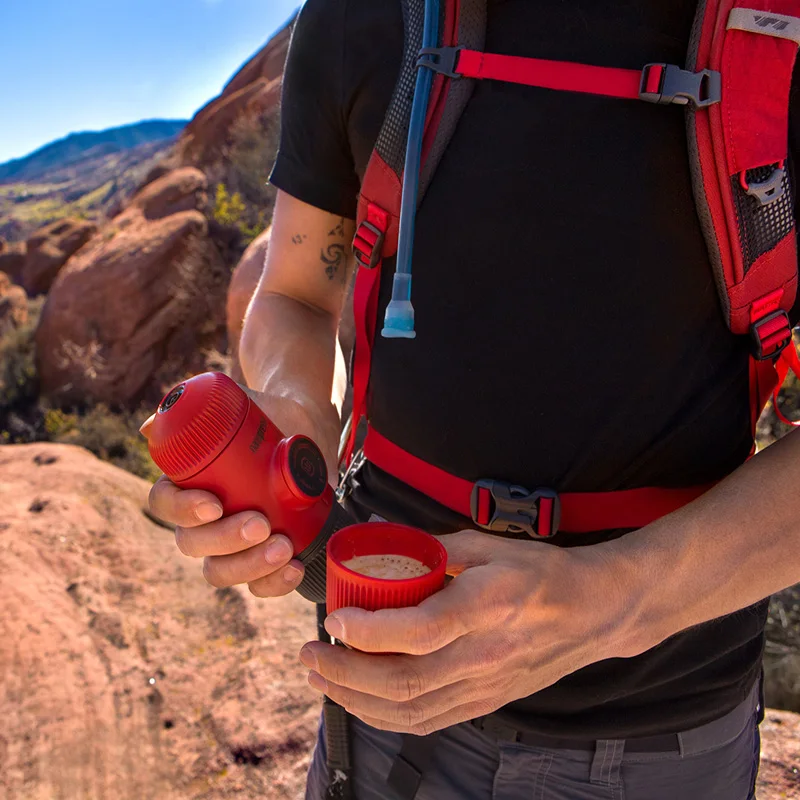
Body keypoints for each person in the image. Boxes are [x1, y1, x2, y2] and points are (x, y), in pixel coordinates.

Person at [147, 1, 800, 797]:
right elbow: (293, 296)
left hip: (659, 734)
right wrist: (296, 410)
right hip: (381, 696)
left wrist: (614, 601)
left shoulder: (777, 29)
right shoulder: (366, 16)